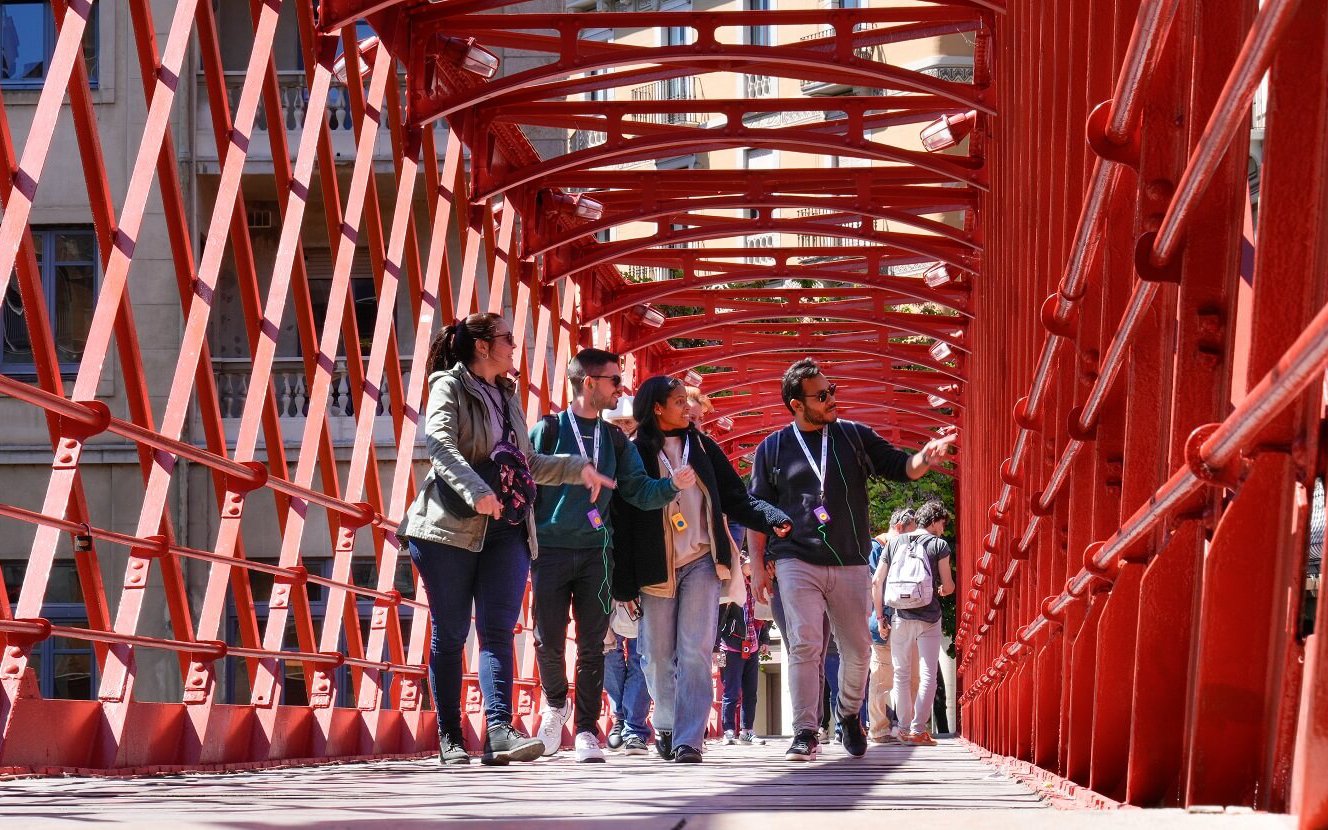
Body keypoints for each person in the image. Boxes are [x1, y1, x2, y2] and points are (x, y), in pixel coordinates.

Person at [397, 313, 616, 767]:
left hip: (508, 528)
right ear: (482, 346)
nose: (515, 347)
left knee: (497, 632)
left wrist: (578, 469)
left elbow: (527, 462)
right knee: (452, 633)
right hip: (448, 529)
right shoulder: (448, 387)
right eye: (508, 339)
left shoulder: (506, 394)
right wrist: (476, 491)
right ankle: (451, 736)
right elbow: (438, 443)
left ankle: (498, 731)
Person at [748, 358, 956, 762]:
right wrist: (757, 563)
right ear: (796, 404)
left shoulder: (854, 437)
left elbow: (901, 467)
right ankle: (806, 731)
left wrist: (924, 457)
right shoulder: (772, 448)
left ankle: (846, 715)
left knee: (859, 650)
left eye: (833, 391)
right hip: (794, 559)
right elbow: (756, 509)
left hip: (849, 560)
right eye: (821, 395)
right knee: (806, 643)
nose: (831, 400)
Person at [613, 376, 792, 764]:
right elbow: (621, 519)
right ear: (657, 408)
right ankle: (665, 722)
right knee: (656, 654)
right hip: (654, 568)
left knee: (694, 650)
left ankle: (689, 739)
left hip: (702, 561)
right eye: (678, 402)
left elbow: (736, 498)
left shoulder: (703, 447)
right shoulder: (635, 450)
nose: (687, 408)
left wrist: (771, 517)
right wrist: (622, 583)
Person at [528, 349, 694, 763]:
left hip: (596, 552)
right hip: (548, 549)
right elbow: (525, 479)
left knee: (591, 645)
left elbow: (637, 489)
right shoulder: (547, 430)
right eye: (615, 381)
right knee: (547, 638)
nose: (622, 388)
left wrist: (673, 487)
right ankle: (555, 704)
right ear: (590, 382)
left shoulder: (616, 439)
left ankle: (586, 730)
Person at [875, 500, 956, 746]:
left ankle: (902, 728)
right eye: (943, 523)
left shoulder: (895, 542)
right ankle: (918, 729)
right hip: (929, 617)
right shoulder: (939, 545)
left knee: (901, 673)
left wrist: (880, 617)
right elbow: (949, 586)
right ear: (933, 521)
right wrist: (942, 590)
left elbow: (877, 582)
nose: (943, 529)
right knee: (928, 674)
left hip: (900, 616)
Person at [867, 508, 916, 743]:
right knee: (882, 676)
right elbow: (874, 585)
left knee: (909, 675)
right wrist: (879, 617)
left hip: (901, 619)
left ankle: (907, 726)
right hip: (885, 619)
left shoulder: (889, 549)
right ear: (898, 527)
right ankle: (879, 729)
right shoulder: (876, 549)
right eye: (910, 533)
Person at [717, 556, 770, 745]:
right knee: (730, 691)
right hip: (731, 646)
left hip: (752, 644)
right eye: (747, 565)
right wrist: (715, 646)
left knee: (751, 691)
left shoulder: (756, 586)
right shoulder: (731, 587)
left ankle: (747, 730)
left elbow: (762, 615)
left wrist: (765, 639)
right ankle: (729, 730)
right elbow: (720, 618)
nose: (751, 568)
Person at [603, 603, 652, 755]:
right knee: (607, 651)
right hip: (606, 585)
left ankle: (634, 726)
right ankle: (622, 715)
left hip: (643, 586)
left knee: (641, 655)